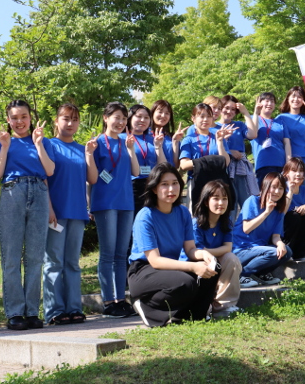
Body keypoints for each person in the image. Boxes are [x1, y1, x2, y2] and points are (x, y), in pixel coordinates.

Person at [128, 163, 219, 327]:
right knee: (185, 282)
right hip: (143, 271)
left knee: (213, 268)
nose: (171, 189)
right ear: (154, 188)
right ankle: (147, 307)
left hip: (169, 268)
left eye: (175, 183)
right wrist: (193, 267)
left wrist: (203, 255)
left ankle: (191, 316)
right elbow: (155, 261)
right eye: (164, 184)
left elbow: (190, 249)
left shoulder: (183, 212)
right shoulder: (145, 216)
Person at [0, 100, 55, 330]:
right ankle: (15, 313)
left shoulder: (41, 141)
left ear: (30, 117)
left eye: (24, 117)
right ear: (8, 120)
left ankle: (31, 311)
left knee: (35, 257)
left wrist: (38, 144)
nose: (19, 121)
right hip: (12, 193)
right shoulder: (2, 143)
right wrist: (5, 146)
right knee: (11, 256)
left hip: (38, 192)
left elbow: (49, 170)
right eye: (15, 118)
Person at [43, 104, 98, 325]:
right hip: (56, 212)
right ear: (56, 121)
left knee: (72, 263)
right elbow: (44, 177)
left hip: (77, 212)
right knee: (53, 261)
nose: (70, 123)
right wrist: (48, 207)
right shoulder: (49, 144)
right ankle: (54, 311)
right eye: (65, 118)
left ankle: (74, 308)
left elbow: (92, 179)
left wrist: (89, 154)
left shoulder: (81, 147)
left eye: (74, 119)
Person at [91, 102, 139, 318]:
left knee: (122, 254)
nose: (120, 122)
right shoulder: (97, 143)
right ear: (105, 117)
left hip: (126, 203)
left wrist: (131, 149)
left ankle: (121, 298)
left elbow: (136, 171)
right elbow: (91, 178)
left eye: (123, 118)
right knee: (108, 253)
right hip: (105, 203)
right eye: (116, 117)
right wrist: (88, 203)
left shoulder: (126, 143)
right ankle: (108, 300)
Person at [190, 180, 242, 318]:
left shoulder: (226, 222)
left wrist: (208, 252)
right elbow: (196, 252)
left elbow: (228, 248)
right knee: (209, 262)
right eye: (216, 198)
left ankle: (224, 306)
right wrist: (207, 254)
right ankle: (204, 306)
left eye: (224, 199)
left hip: (214, 259)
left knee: (232, 259)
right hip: (195, 262)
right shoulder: (196, 223)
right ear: (206, 201)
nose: (221, 203)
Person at [232, 172, 292, 288]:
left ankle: (260, 273)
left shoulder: (278, 211)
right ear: (265, 186)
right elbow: (247, 228)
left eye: (281, 188)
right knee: (273, 252)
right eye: (274, 187)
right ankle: (240, 274)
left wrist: (280, 244)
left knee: (286, 252)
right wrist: (266, 212)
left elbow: (276, 237)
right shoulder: (252, 201)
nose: (277, 191)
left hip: (258, 250)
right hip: (240, 250)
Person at [276, 86, 305, 192]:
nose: (296, 99)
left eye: (299, 97)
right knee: (291, 194)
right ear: (288, 99)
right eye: (293, 96)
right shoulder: (281, 118)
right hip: (290, 163)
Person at [122, 104, 166, 217]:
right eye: (139, 116)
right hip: (131, 186)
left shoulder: (153, 139)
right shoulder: (121, 138)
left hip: (152, 185)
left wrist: (158, 147)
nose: (143, 120)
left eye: (146, 117)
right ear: (130, 117)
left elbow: (163, 166)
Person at [218, 94, 259, 209]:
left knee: (246, 201)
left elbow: (253, 134)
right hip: (223, 168)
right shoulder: (213, 127)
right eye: (226, 108)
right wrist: (230, 151)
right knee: (229, 204)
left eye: (233, 110)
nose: (229, 111)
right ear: (221, 108)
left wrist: (245, 113)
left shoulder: (239, 125)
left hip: (240, 169)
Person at [251, 92, 291, 188]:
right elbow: (253, 133)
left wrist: (288, 165)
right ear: (259, 103)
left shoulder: (280, 122)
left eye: (272, 101)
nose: (269, 104)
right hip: (263, 164)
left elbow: (287, 144)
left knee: (280, 193)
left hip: (280, 164)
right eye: (267, 101)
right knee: (265, 193)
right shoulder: (253, 119)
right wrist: (256, 113)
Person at [150, 99, 188, 168]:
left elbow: (176, 165)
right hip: (151, 176)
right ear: (152, 113)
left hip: (169, 175)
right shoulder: (145, 135)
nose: (163, 115)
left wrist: (175, 142)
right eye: (160, 112)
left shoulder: (171, 137)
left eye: (167, 113)